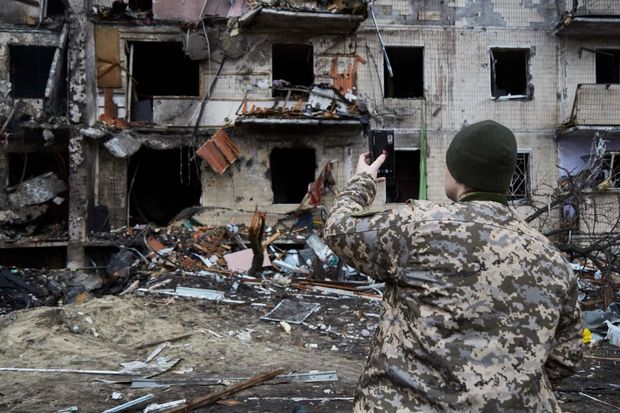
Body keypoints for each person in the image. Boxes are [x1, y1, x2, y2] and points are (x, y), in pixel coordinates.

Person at [324, 120, 583, 412]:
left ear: (456, 171)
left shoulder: (417, 227)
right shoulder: (552, 259)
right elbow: (566, 357)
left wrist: (363, 181)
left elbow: (338, 228)